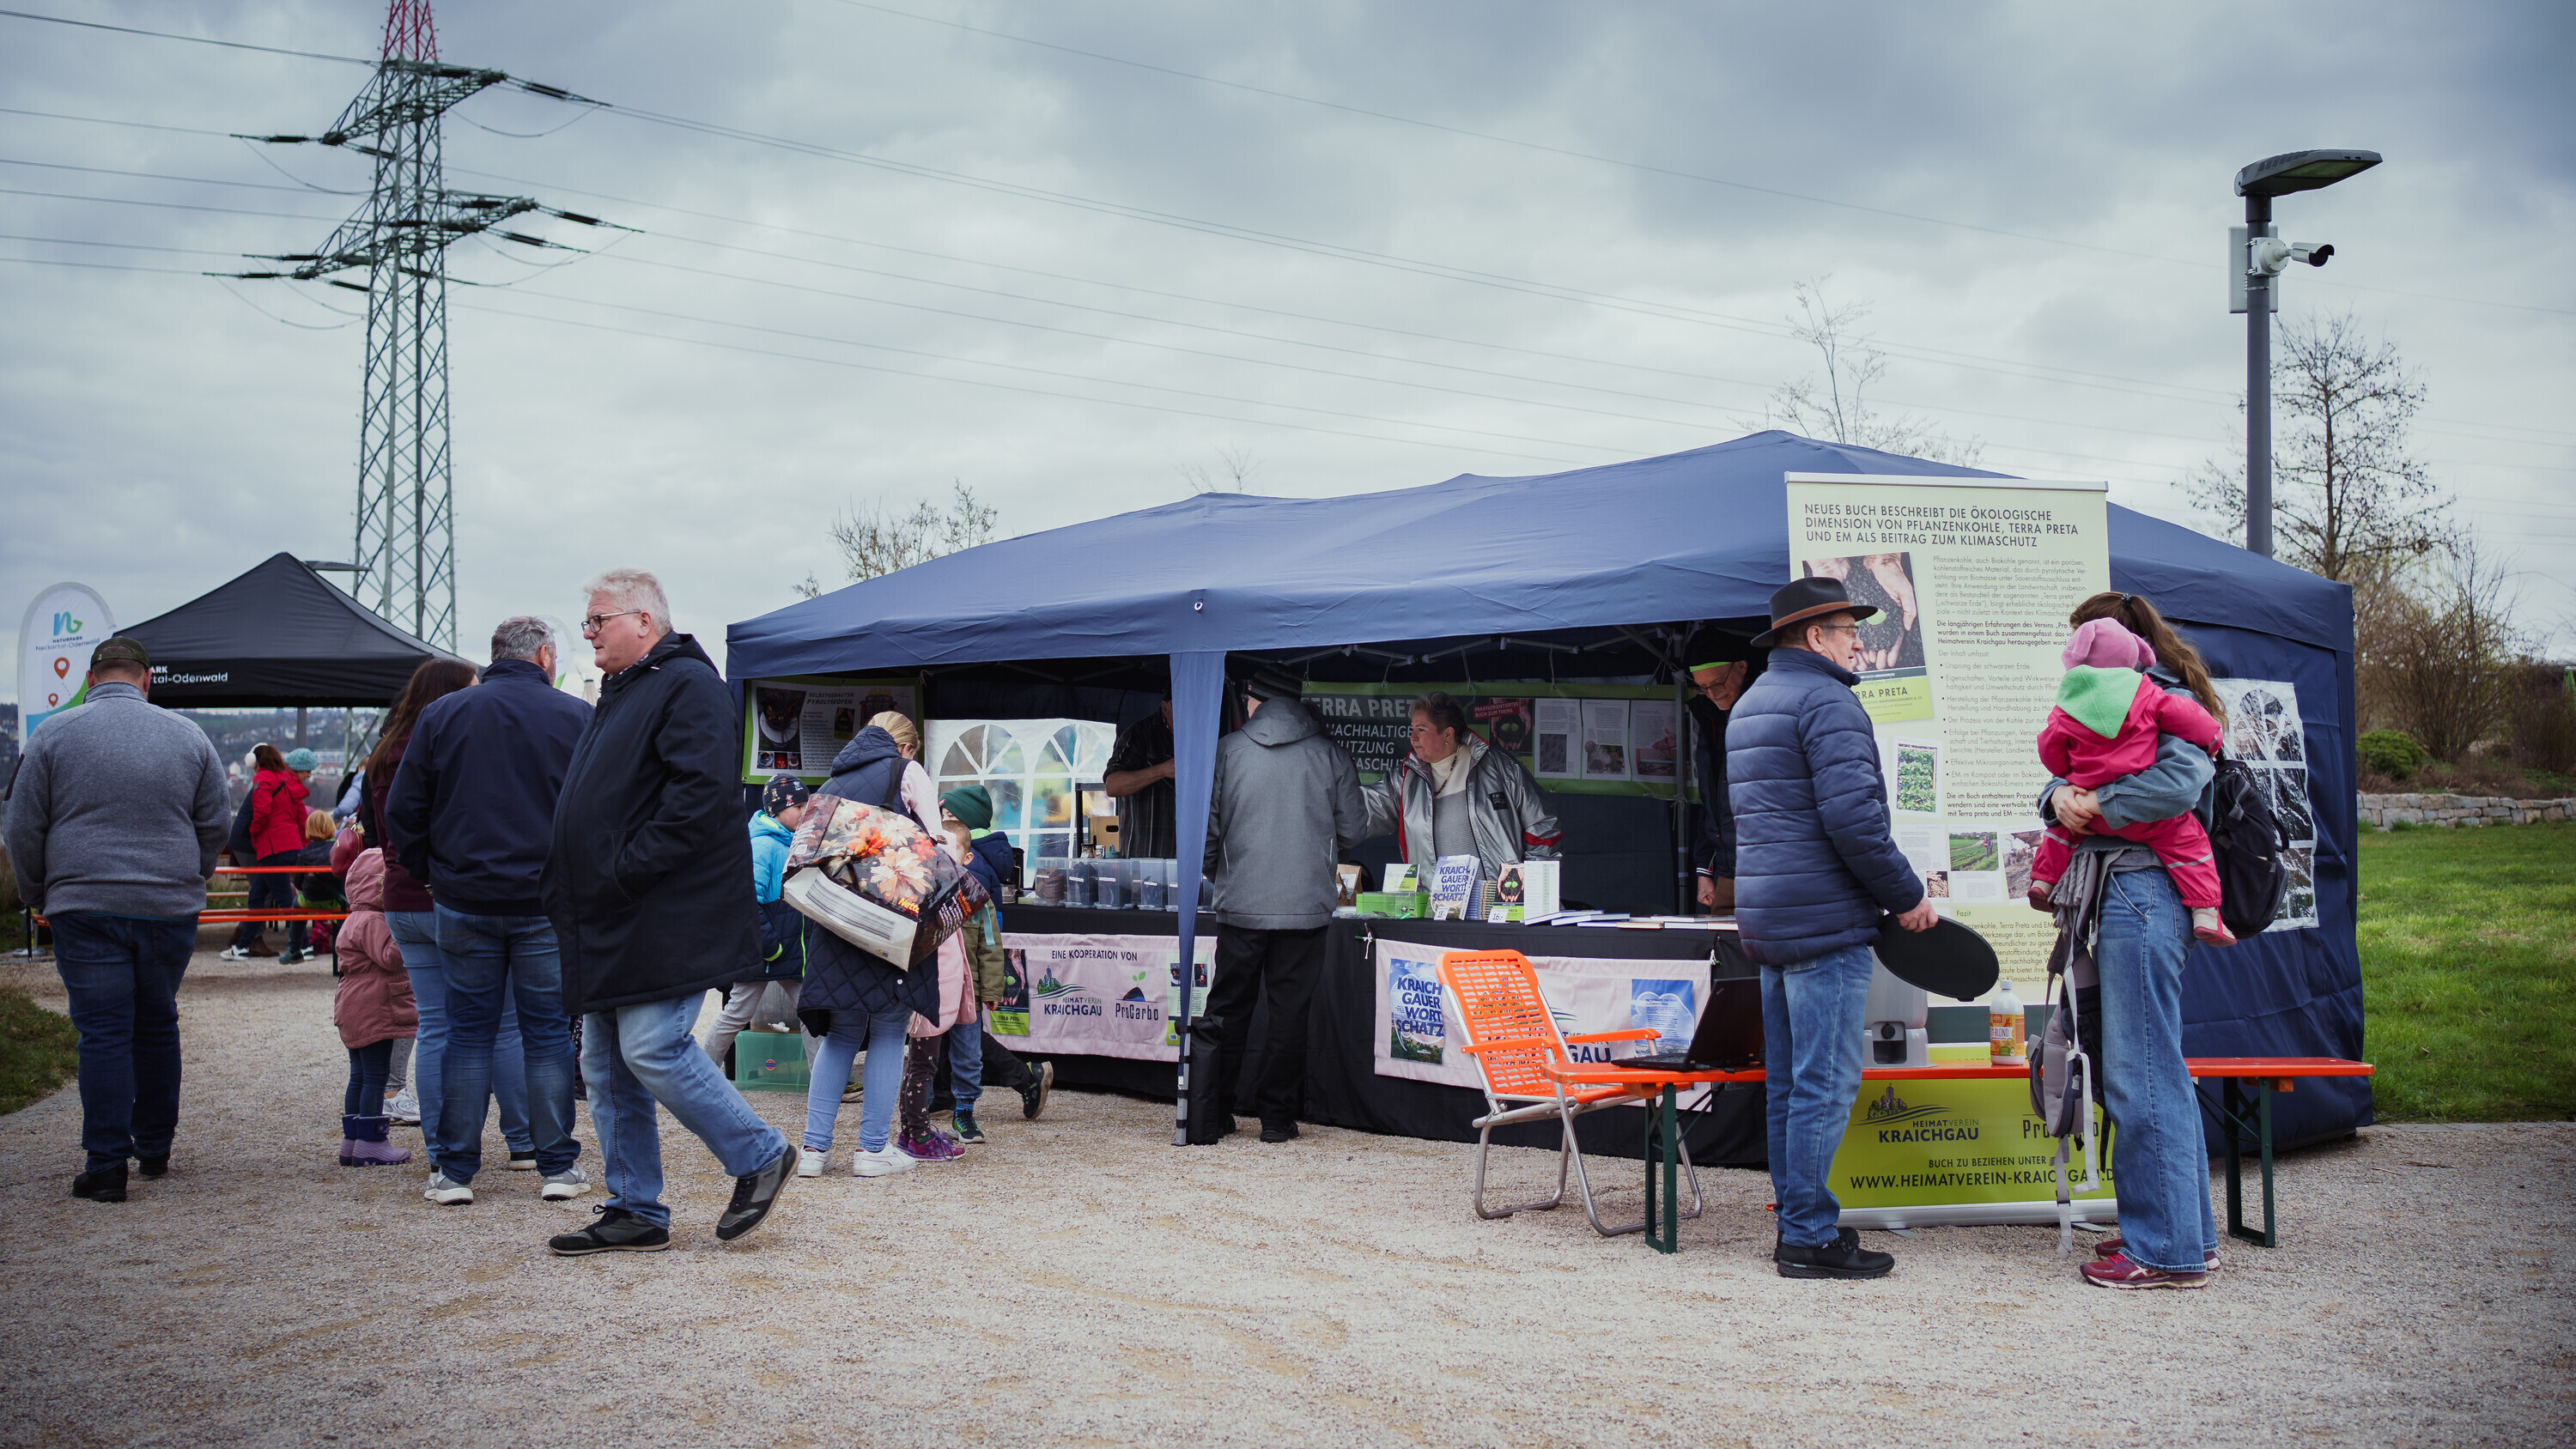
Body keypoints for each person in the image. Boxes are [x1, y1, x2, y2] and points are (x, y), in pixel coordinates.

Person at [544, 570, 793, 1254]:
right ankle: (635, 1208)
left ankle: (759, 1153)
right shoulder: (625, 691)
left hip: (666, 911)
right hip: (615, 913)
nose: (587, 632)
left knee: (651, 1047)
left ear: (644, 622)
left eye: (598, 620)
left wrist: (624, 867)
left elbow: (700, 799)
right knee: (605, 1063)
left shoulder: (686, 686)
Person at [1728, 578, 1936, 1281]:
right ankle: (1810, 1237)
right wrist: (1907, 896)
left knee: (1791, 1085)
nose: (1859, 642)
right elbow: (1854, 822)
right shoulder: (1828, 700)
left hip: (1771, 920)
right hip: (1824, 922)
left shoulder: (1754, 701)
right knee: (1823, 1085)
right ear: (1816, 637)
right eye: (1851, 630)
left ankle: (1799, 1225)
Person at [2038, 591, 2230, 1291]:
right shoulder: (2131, 694)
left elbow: (2183, 780)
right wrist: (2056, 798)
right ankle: (2185, 1234)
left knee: (2139, 1072)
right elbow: (2067, 775)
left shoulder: (2160, 695)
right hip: (2127, 889)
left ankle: (2166, 1251)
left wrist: (2097, 807)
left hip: (2143, 891)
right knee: (2152, 1068)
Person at [4, 636, 228, 1202]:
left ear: (90, 677)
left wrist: (37, 891)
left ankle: (105, 1163)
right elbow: (214, 822)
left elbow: (23, 827)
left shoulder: (53, 734)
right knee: (157, 1023)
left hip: (83, 900)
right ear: (147, 680)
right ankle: (155, 1147)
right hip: (167, 903)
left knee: (101, 1032)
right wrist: (192, 873)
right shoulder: (188, 736)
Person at [386, 615, 592, 1207]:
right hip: (544, 899)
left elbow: (404, 810)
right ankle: (556, 1164)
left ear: (495, 655)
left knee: (467, 1034)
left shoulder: (443, 715)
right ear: (546, 656)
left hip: (465, 896)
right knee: (547, 1033)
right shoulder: (575, 717)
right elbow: (597, 810)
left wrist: (432, 870)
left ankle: (454, 1172)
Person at [361, 658, 544, 1169]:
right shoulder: (446, 742)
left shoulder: (384, 752)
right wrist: (435, 871)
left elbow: (386, 827)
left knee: (438, 1026)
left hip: (401, 896)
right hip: (451, 892)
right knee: (505, 1025)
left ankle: (445, 1148)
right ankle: (523, 1140)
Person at [791, 717, 968, 1177]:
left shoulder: (830, 780)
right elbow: (936, 846)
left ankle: (813, 1151)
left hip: (837, 920)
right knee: (890, 1030)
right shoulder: (905, 771)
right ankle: (872, 1150)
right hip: (890, 917)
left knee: (842, 1034)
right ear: (905, 747)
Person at [1203, 665, 1365, 1143]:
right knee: (1290, 1014)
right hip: (1306, 907)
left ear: (1255, 703)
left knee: (1229, 1009)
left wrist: (1223, 876)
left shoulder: (1227, 752)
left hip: (1242, 905)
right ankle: (1276, 1119)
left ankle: (1215, 1112)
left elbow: (1208, 833)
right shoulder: (1330, 755)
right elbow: (1354, 829)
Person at [2030, 616, 2233, 947]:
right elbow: (2195, 725)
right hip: (2141, 834)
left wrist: (2069, 781)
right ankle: (2207, 911)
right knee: (2189, 839)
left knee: (2060, 833)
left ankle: (2043, 882)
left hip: (2092, 822)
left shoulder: (2068, 706)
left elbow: (2050, 751)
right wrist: (2213, 740)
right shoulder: (2149, 694)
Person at [934, 783, 1048, 1143]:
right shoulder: (928, 887)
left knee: (968, 1048)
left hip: (967, 986)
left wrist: (992, 987)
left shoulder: (976, 889)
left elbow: (988, 944)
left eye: (949, 816)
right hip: (934, 987)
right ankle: (930, 1105)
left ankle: (965, 1109)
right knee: (932, 1048)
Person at [1358, 691, 1559, 878]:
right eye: (1412, 729)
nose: (1413, 737)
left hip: (1499, 906)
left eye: (1421, 729)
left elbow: (1543, 828)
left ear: (1447, 734)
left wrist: (1532, 886)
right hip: (1435, 909)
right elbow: (1359, 812)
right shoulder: (1404, 780)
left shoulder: (1501, 768)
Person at [702, 773, 817, 1076]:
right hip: (771, 949)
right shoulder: (764, 846)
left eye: (807, 805)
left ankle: (825, 1080)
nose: (805, 812)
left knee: (810, 1014)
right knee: (738, 1012)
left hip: (786, 948)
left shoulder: (790, 841)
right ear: (774, 810)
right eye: (798, 806)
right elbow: (747, 902)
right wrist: (771, 947)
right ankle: (701, 1072)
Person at [332, 847, 416, 1167]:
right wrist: (404, 932)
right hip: (374, 1005)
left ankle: (352, 1139)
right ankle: (372, 1141)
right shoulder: (373, 921)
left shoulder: (355, 917)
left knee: (360, 1075)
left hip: (353, 1002)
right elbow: (390, 957)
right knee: (376, 1077)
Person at [222, 743, 315, 963]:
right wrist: (302, 845)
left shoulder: (263, 780)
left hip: (272, 849)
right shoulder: (287, 781)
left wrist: (255, 833)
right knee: (258, 897)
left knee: (283, 899)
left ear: (256, 763)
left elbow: (261, 812)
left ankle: (304, 946)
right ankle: (243, 946)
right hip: (289, 847)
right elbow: (301, 817)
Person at [1685, 642, 1751, 912]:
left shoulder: (1763, 715)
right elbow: (1709, 801)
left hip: (1767, 875)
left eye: (1718, 685)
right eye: (1703, 688)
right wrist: (1704, 871)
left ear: (1742, 667)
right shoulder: (1710, 719)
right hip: (1726, 873)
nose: (1711, 695)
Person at [1103, 688, 1177, 858]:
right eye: (1182, 708)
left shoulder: (1203, 735)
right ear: (1165, 707)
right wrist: (1162, 770)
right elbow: (1113, 785)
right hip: (1147, 855)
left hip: (1189, 858)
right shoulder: (1140, 734)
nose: (1189, 715)